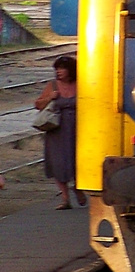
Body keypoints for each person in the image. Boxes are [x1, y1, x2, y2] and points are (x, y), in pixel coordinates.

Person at [35, 55, 85, 210]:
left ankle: (78, 186)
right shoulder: (53, 86)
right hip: (57, 129)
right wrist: (50, 97)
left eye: (62, 69)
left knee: (79, 160)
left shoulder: (81, 84)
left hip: (79, 127)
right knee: (57, 162)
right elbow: (38, 105)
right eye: (57, 69)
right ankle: (65, 198)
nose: (59, 72)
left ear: (71, 70)